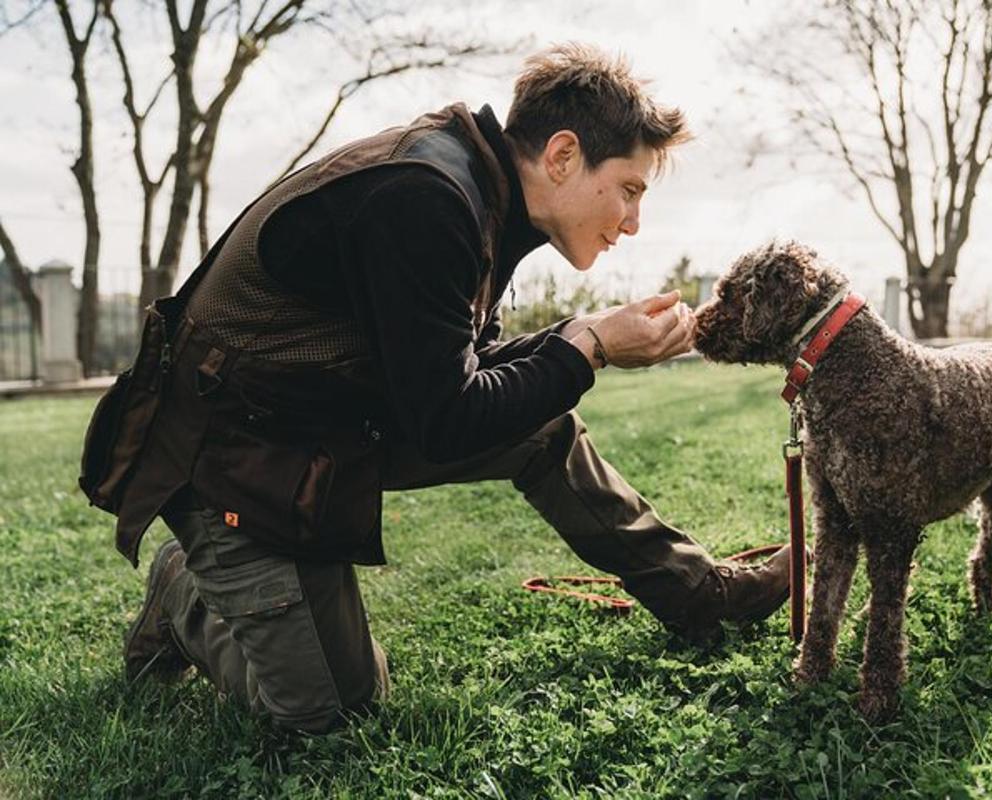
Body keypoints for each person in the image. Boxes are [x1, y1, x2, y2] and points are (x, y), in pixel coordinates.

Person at [111, 43, 791, 733]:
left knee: (540, 422)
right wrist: (587, 347)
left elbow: (464, 367)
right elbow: (446, 419)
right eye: (629, 189)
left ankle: (698, 595)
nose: (633, 220)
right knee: (331, 710)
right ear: (562, 156)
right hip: (235, 455)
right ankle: (182, 593)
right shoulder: (426, 197)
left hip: (327, 425)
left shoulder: (479, 188)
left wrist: (585, 340)